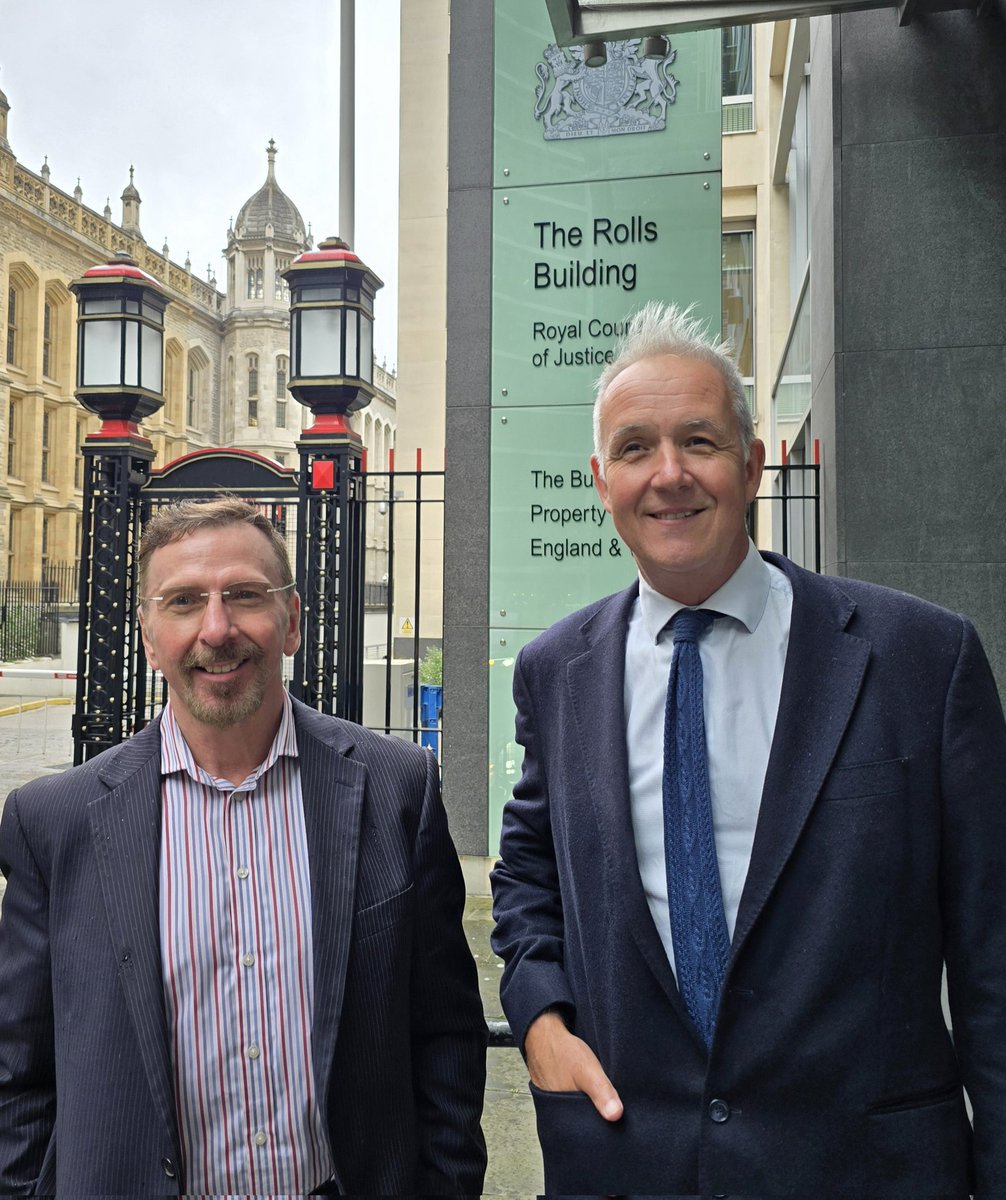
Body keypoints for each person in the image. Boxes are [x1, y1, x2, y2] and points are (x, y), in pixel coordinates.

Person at [490, 302, 1006, 1197]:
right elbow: (529, 872)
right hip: (628, 1162)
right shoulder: (555, 672)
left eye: (700, 441)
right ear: (601, 480)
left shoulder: (922, 659)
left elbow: (994, 955)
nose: (669, 474)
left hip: (865, 1171)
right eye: (635, 448)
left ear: (754, 463)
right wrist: (541, 1020)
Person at [0, 496, 487, 1196]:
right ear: (148, 637)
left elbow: (445, 1034)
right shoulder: (54, 822)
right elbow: (19, 1073)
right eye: (184, 601)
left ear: (292, 622)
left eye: (245, 595)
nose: (217, 629)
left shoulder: (396, 789)